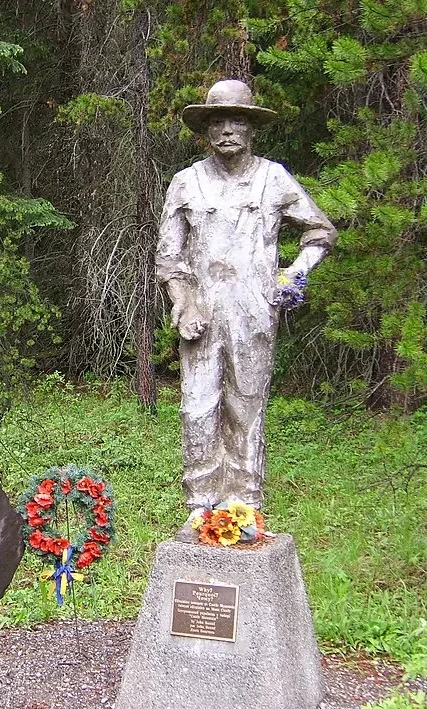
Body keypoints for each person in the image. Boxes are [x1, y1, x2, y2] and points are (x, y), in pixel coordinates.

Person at [156, 80, 337, 519]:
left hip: (254, 313)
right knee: (198, 408)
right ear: (206, 130)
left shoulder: (273, 179)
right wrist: (184, 301)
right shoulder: (186, 183)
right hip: (202, 315)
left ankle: (245, 504)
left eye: (237, 121)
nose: (227, 130)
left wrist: (293, 275)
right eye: (218, 121)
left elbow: (320, 231)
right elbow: (169, 257)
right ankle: (200, 504)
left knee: (246, 406)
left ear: (252, 128)